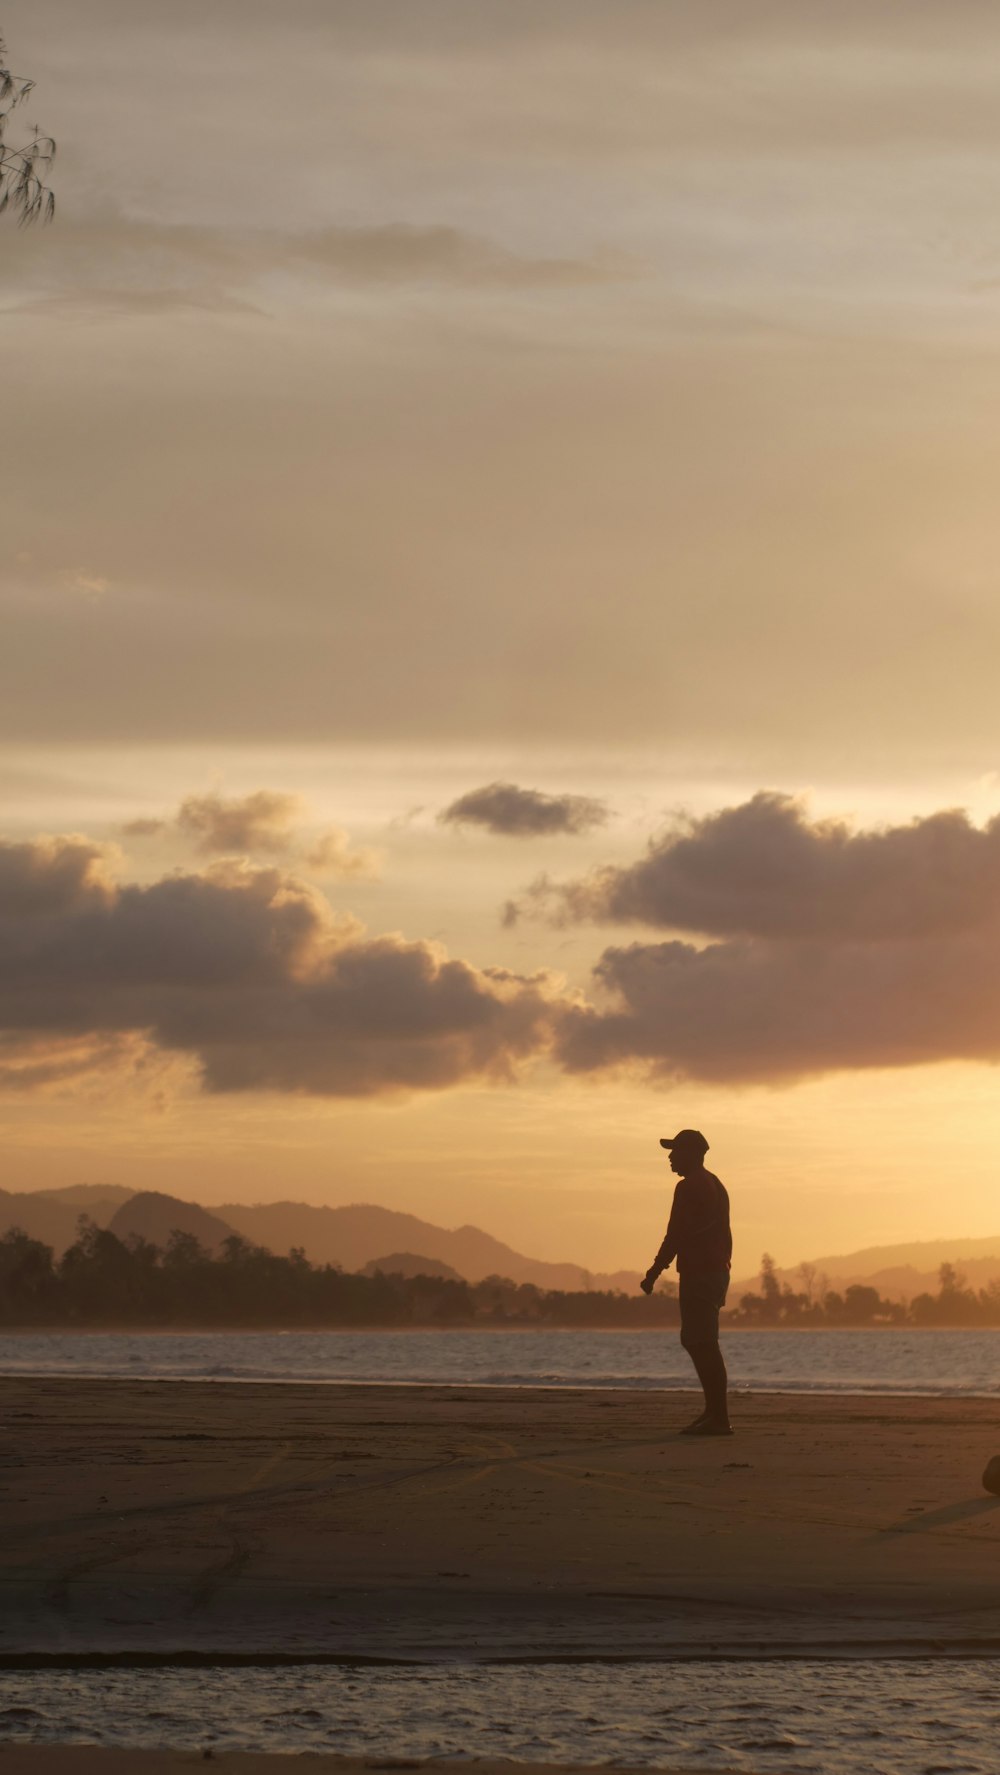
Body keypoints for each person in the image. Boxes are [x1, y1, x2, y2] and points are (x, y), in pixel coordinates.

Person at [640, 1129, 733, 1436]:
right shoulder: (715, 1183)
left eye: (675, 1151)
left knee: (701, 1341)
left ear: (692, 1154)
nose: (670, 1156)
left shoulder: (690, 1187)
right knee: (699, 1340)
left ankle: (718, 1417)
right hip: (714, 1271)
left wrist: (654, 1271)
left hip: (701, 1272)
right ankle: (713, 1412)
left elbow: (675, 1234)